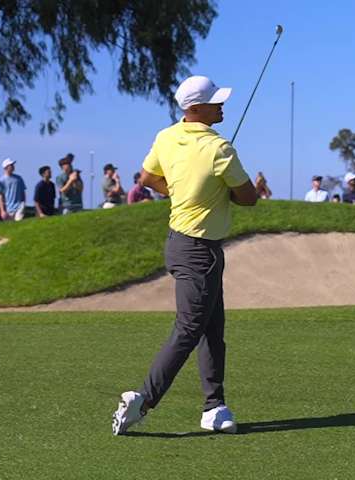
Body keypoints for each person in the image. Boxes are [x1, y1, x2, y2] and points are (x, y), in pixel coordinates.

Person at [112, 75, 258, 436]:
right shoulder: (219, 149)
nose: (222, 106)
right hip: (200, 250)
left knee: (212, 328)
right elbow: (249, 197)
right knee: (190, 328)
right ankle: (143, 399)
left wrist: (177, 194)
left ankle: (214, 406)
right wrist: (220, 190)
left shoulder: (166, 136)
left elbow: (147, 177)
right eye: (215, 102)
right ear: (195, 109)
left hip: (179, 243)